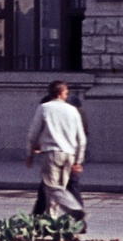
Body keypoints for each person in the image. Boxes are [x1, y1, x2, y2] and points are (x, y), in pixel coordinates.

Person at [24, 80, 87, 222]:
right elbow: (81, 139)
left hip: (51, 153)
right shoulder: (73, 110)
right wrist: (78, 160)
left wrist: (30, 154)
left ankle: (74, 210)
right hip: (69, 154)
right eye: (66, 93)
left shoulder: (44, 108)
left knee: (51, 188)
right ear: (59, 93)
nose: (66, 96)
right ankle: (50, 225)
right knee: (58, 190)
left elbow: (32, 134)